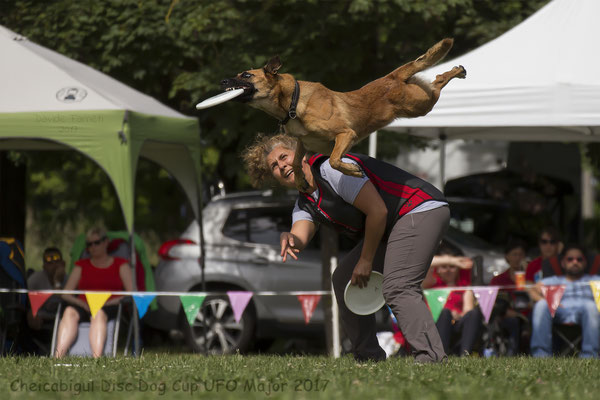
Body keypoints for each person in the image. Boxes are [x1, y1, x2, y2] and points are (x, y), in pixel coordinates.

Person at [242, 134, 450, 363]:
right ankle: (368, 357)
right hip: (394, 224)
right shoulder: (304, 203)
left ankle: (431, 358)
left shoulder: (333, 169)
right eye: (274, 166)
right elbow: (300, 236)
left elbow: (377, 211)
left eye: (284, 156)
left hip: (420, 207)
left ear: (301, 155)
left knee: (398, 287)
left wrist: (366, 260)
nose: (281, 165)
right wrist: (289, 237)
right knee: (343, 280)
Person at [54, 227, 133, 358]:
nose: (93, 247)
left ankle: (96, 359)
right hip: (84, 305)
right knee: (69, 312)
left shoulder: (121, 264)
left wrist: (107, 303)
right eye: (89, 244)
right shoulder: (81, 265)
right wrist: (80, 303)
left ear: (106, 242)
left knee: (98, 314)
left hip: (111, 305)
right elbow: (65, 293)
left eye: (96, 242)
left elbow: (131, 293)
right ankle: (57, 357)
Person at [529, 244, 600, 358]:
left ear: (585, 263)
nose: (575, 262)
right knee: (541, 305)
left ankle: (590, 355)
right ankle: (540, 355)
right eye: (570, 259)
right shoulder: (555, 280)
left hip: (587, 312)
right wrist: (546, 301)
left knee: (591, 306)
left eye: (579, 259)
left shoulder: (594, 279)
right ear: (563, 263)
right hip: (559, 310)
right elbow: (533, 290)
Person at [423, 243, 483, 356]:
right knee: (445, 313)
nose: (448, 270)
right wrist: (451, 260)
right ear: (438, 269)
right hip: (435, 324)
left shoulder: (463, 286)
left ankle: (465, 354)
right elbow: (425, 262)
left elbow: (468, 310)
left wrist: (457, 315)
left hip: (457, 323)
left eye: (452, 267)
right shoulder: (432, 282)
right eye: (444, 267)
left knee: (474, 313)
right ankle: (441, 354)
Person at [489, 239, 531, 355]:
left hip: (529, 313)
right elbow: (492, 303)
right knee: (513, 321)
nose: (518, 258)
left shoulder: (531, 278)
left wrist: (527, 275)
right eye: (514, 254)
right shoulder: (498, 280)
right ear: (507, 257)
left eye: (521, 255)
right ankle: (512, 354)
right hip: (507, 315)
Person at [26, 247, 66, 330]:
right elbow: (25, 301)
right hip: (41, 317)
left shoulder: (70, 279)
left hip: (63, 317)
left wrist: (57, 281)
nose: (54, 265)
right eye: (49, 262)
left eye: (57, 261)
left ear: (63, 264)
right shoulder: (35, 279)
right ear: (44, 266)